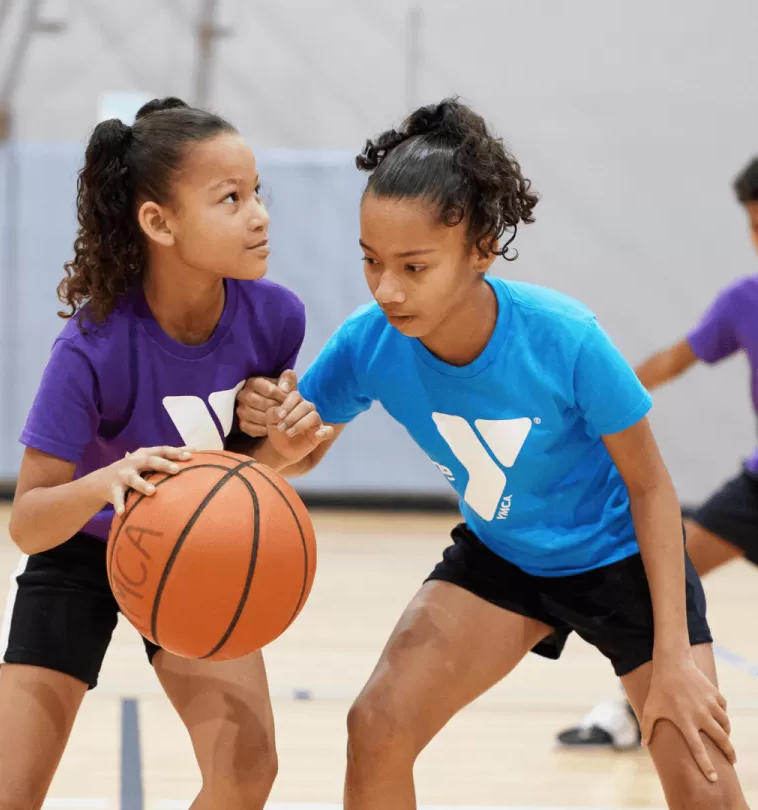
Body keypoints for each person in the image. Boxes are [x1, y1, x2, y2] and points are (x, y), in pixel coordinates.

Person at [236, 98, 749, 809]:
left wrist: (674, 658)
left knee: (709, 792)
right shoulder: (368, 341)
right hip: (503, 559)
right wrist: (281, 442)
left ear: (480, 250)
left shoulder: (564, 337)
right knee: (376, 726)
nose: (388, 289)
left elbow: (652, 488)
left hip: (622, 563)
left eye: (414, 266)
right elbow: (297, 452)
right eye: (372, 262)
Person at [0, 97, 331, 810]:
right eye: (231, 199)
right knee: (7, 794)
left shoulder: (276, 315)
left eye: (258, 193)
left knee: (246, 774)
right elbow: (28, 522)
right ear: (158, 222)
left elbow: (257, 468)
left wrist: (279, 444)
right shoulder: (91, 346)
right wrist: (106, 483)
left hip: (192, 555)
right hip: (78, 554)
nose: (259, 215)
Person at [554, 157, 758, 751]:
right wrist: (594, 406)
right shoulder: (744, 301)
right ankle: (641, 710)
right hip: (755, 491)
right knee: (665, 570)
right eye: (753, 224)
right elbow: (671, 361)